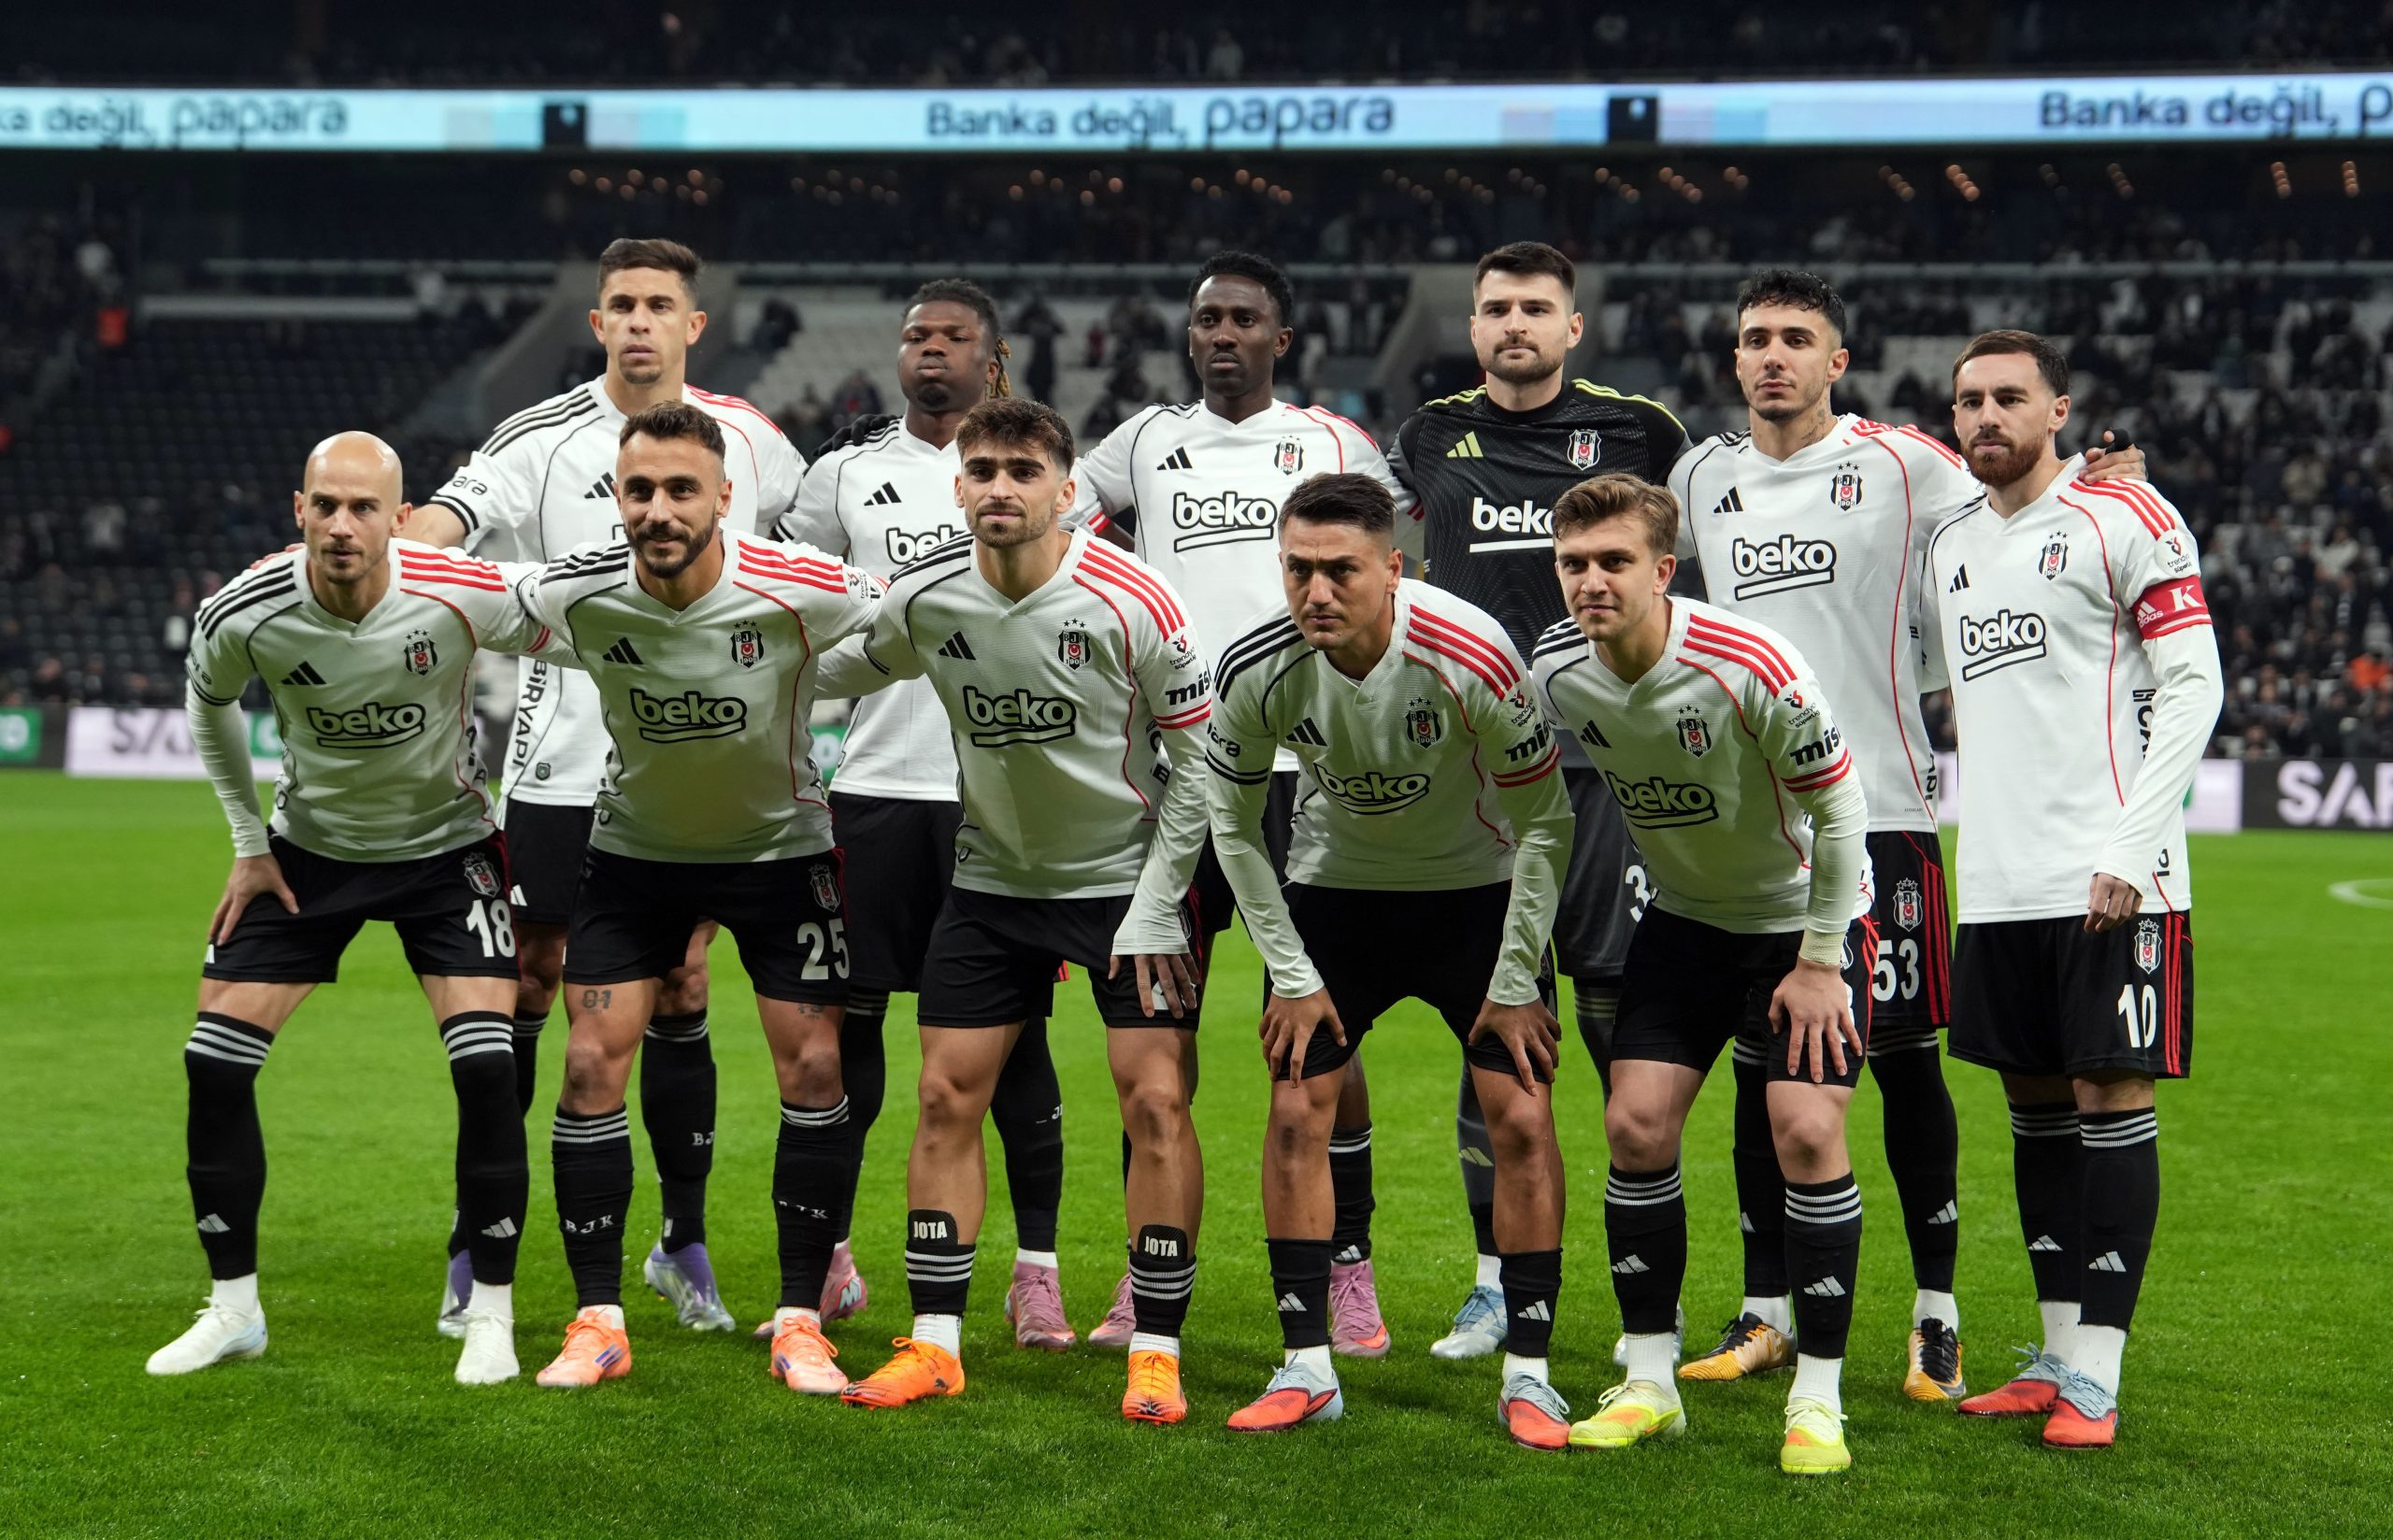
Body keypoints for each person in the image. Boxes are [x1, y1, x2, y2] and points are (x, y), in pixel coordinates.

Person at [1668, 269, 2151, 1400]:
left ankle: (1937, 1313)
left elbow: (2020, 487)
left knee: (1901, 1056)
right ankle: (1765, 1309)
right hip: (1752, 832)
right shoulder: (1699, 476)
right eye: (1755, 338)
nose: (1773, 355)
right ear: (1733, 358)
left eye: (1796, 338)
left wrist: (2106, 478)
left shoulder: (1903, 463)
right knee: (1759, 1062)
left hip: (1880, 811)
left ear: (1836, 361)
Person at [408, 238, 809, 1334]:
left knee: (682, 985)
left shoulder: (754, 443)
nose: (638, 321)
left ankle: (682, 1242)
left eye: (658, 305)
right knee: (527, 987)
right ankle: (477, 1233)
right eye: (621, 304)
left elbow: (808, 560)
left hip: (697, 775)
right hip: (561, 766)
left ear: (693, 325)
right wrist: (398, 548)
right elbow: (448, 521)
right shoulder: (537, 437)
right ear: (596, 324)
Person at [824, 397, 1213, 1426]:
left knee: (1155, 1104)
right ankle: (937, 1344)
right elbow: (833, 669)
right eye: (984, 470)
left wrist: (1158, 904)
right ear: (957, 486)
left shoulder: (1132, 600)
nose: (1001, 487)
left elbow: (1202, 766)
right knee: (944, 1097)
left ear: (1067, 490)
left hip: (1126, 888)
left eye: (1024, 471)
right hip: (992, 884)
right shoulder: (927, 597)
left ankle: (1157, 1351)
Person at [148, 433, 557, 1386]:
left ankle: (490, 1314)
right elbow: (209, 703)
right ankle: (233, 1309)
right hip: (308, 855)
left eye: (363, 507)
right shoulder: (245, 608)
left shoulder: (457, 590)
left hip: (446, 851)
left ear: (398, 518)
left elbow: (570, 632)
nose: (342, 524)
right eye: (325, 505)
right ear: (299, 510)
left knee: (488, 1066)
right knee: (213, 1062)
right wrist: (248, 843)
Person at [1068, 250, 1410, 1355]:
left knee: (1321, 1035)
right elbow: (1052, 519)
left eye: (1243, 319)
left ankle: (1347, 1268)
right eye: (1207, 318)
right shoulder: (1141, 442)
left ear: (1281, 338)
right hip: (1179, 775)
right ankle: (1148, 1273)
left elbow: (1389, 570)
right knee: (1153, 1040)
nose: (1221, 334)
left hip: (1308, 780)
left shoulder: (1334, 443)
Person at [507, 403, 879, 1393]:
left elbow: (913, 623)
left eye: (681, 490)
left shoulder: (797, 586)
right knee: (589, 1062)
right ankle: (598, 1322)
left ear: (723, 497)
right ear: (617, 499)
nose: (658, 510)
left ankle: (800, 1321)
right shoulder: (581, 591)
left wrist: (817, 674)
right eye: (639, 491)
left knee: (815, 1067)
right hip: (634, 858)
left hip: (781, 856)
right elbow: (467, 605)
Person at [1203, 473, 1576, 1449]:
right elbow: (1232, 828)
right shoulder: (1256, 667)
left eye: (1342, 571)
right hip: (1337, 896)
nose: (1317, 591)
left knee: (1521, 1118)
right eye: (1298, 569)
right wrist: (1291, 973)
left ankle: (1530, 1375)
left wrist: (1515, 979)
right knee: (1296, 1112)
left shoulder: (1471, 652)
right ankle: (1307, 1367)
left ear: (1393, 569)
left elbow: (1546, 822)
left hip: (1477, 895)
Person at [1532, 474, 1877, 1476]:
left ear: (1663, 570)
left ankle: (1817, 1399)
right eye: (1572, 564)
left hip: (1798, 923)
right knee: (1635, 1126)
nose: (1591, 582)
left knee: (1805, 1131)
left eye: (1614, 561)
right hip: (1683, 921)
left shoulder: (1747, 663)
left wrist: (1820, 959)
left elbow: (1842, 811)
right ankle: (1650, 1383)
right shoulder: (1558, 670)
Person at [1386, 240, 1683, 1362]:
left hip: (1601, 770)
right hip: (1473, 778)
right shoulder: (1426, 435)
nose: (1516, 323)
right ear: (1473, 326)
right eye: (1497, 308)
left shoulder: (1639, 431)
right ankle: (1493, 1287)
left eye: (1536, 308)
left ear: (1572, 327)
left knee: (1614, 1029)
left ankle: (1645, 1296)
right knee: (1494, 1027)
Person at [1927, 331, 2222, 1449]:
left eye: (2010, 396)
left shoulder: (2124, 513)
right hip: (1997, 881)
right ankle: (2054, 1351)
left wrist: (2133, 849)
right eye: (1969, 400)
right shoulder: (1952, 541)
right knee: (2035, 1107)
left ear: (2059, 410)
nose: (1986, 416)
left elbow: (2194, 684)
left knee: (2110, 1095)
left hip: (2113, 873)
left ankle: (2098, 1368)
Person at [772, 278, 1074, 1350]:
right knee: (849, 1026)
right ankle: (836, 1257)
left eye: (952, 337)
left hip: (1000, 799)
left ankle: (1036, 1274)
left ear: (993, 360)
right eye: (914, 335)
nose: (929, 351)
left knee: (1016, 1039)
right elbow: (794, 595)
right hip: (873, 790)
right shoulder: (843, 475)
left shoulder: (1030, 475)